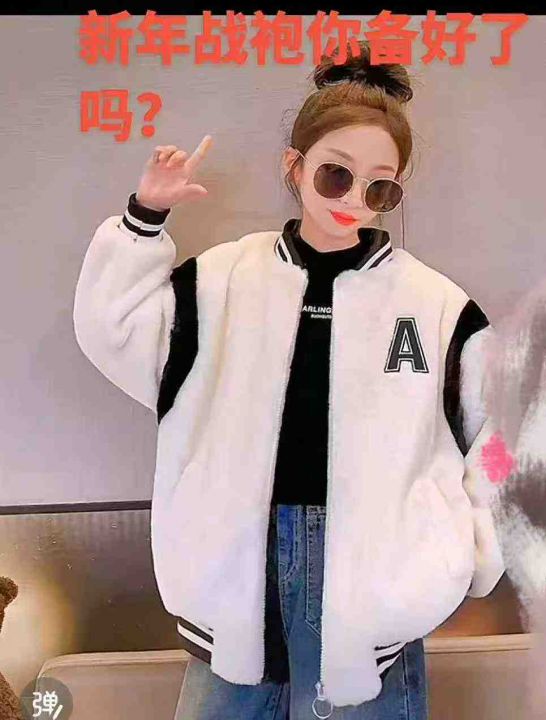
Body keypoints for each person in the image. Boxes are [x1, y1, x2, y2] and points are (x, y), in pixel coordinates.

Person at [73, 41, 505, 719]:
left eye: (379, 187)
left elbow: (500, 437)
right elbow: (115, 331)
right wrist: (142, 220)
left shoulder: (437, 306)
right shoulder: (220, 282)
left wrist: (469, 552)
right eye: (335, 175)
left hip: (376, 587)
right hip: (233, 576)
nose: (354, 199)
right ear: (294, 167)